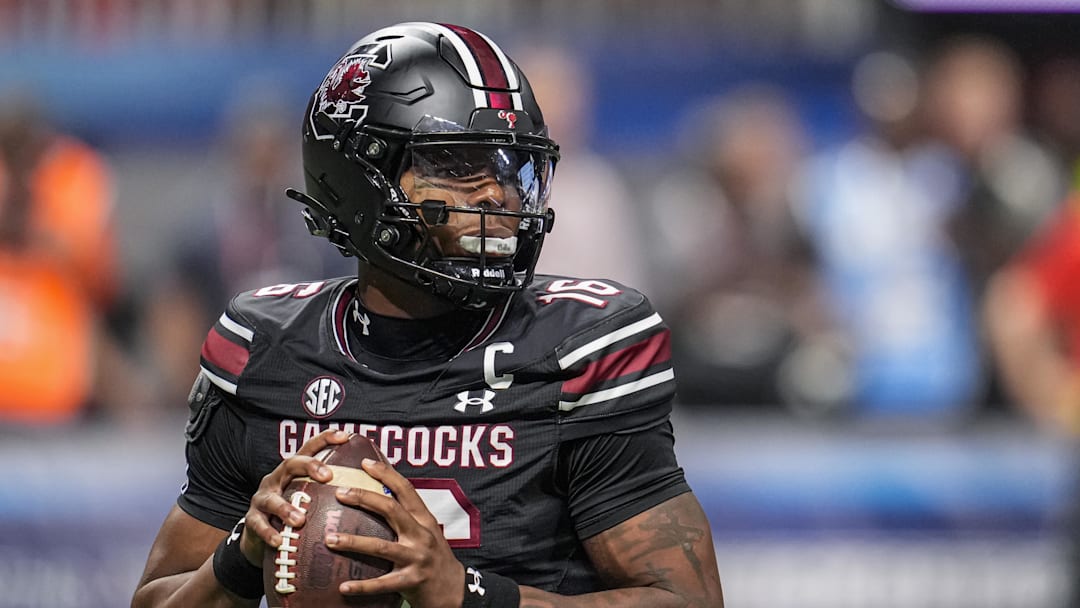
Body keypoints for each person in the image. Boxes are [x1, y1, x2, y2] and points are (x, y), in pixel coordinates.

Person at [131, 22, 724, 608]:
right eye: (459, 166)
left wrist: (468, 597)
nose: (496, 195)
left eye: (510, 168)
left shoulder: (580, 348)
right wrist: (239, 558)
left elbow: (687, 601)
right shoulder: (266, 349)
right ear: (360, 179)